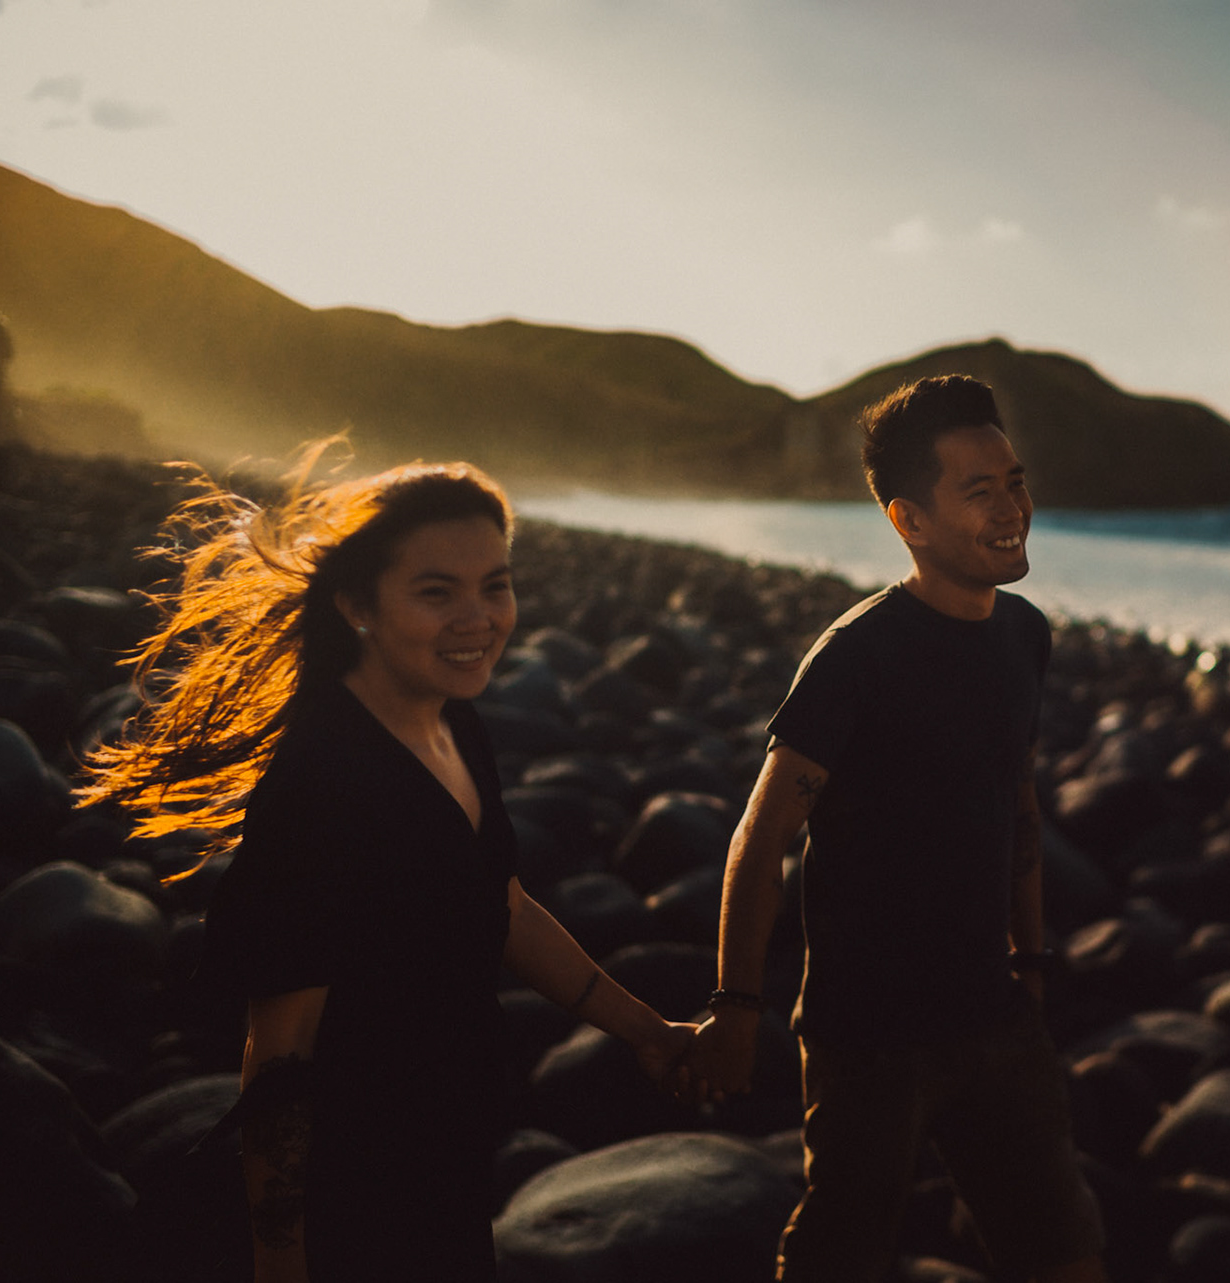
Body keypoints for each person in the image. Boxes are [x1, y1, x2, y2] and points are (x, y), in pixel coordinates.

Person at [80, 449, 694, 1283]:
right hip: (358, 1180)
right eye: (437, 592)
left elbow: (504, 907)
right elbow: (282, 1051)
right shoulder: (324, 783)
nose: (478, 618)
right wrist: (280, 1256)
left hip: (451, 1142)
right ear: (357, 605)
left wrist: (648, 1032)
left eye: (496, 585)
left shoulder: (449, 719)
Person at [687, 377, 1107, 1283]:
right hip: (870, 1034)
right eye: (980, 491)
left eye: (1016, 480)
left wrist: (1031, 960)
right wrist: (735, 1007)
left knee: (1064, 1250)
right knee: (838, 1256)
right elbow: (762, 834)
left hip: (996, 1013)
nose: (1013, 509)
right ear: (908, 519)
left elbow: (1019, 800)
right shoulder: (857, 655)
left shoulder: (1023, 635)